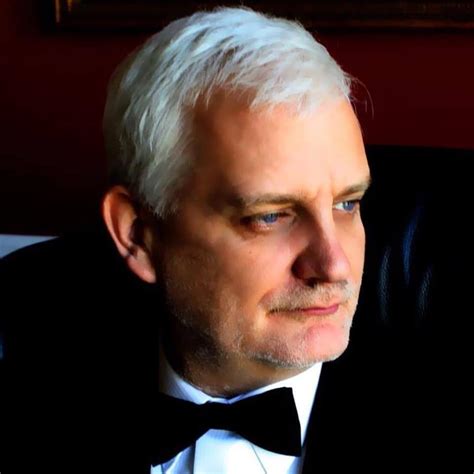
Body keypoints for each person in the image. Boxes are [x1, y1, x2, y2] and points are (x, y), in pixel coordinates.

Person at [1, 7, 462, 474]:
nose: (334, 265)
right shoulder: (26, 367)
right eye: (270, 216)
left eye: (347, 204)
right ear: (138, 233)